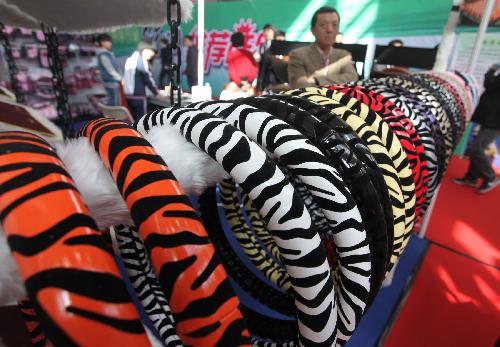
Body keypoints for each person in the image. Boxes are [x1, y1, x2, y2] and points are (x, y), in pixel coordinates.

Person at [453, 64, 500, 193]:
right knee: (475, 148)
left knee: (476, 148)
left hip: (495, 122)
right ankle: (472, 177)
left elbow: (490, 84)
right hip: (489, 119)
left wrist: (491, 71)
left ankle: (490, 177)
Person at [288, 6, 358, 88]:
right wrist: (336, 81)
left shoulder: (343, 56)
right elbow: (299, 85)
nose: (330, 30)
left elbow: (352, 78)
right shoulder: (298, 55)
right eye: (323, 25)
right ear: (312, 30)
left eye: (335, 25)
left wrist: (316, 80)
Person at [123, 41, 160, 119]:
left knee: (134, 119)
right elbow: (148, 79)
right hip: (138, 96)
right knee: (141, 121)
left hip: (128, 96)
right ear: (143, 49)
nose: (152, 54)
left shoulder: (130, 59)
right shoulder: (141, 60)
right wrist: (157, 93)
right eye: (151, 51)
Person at [95, 33, 122, 106]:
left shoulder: (107, 53)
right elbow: (110, 70)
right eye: (108, 41)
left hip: (111, 81)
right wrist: (120, 78)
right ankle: (113, 116)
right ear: (102, 42)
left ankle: (113, 116)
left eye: (110, 41)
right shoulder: (103, 54)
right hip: (111, 82)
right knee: (114, 102)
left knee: (114, 101)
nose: (110, 43)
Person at [255, 24, 275, 92]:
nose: (266, 33)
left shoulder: (277, 45)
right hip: (263, 76)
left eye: (268, 31)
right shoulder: (261, 46)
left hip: (274, 77)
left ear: (273, 32)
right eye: (264, 31)